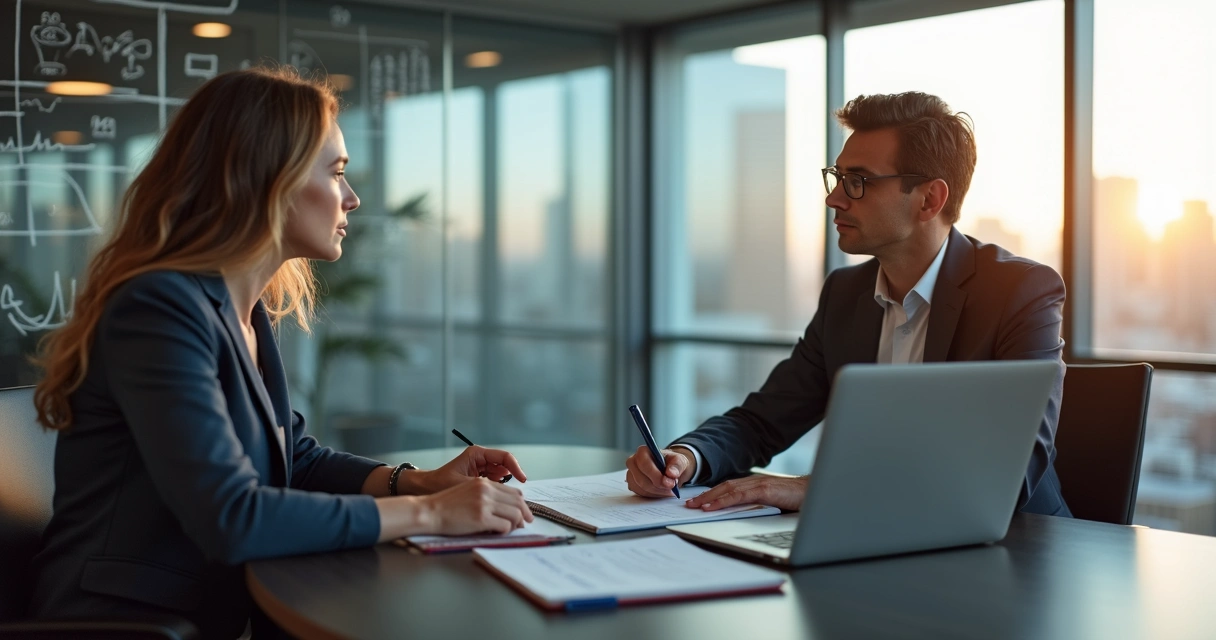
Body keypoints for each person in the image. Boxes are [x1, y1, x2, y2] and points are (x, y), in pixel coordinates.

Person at [28, 67, 533, 639]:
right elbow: (232, 517)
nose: (352, 197)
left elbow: (296, 459)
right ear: (269, 179)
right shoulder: (158, 308)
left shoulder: (244, 310)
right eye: (337, 173)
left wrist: (418, 483)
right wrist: (432, 516)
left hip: (212, 614)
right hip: (124, 626)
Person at [626, 91, 1071, 518]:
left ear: (930, 199)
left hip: (1013, 550)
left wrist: (818, 487)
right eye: (838, 178)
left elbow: (1010, 471)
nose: (833, 198)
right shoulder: (846, 293)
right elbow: (763, 421)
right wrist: (685, 456)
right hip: (867, 537)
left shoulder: (1020, 291)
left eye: (858, 182)